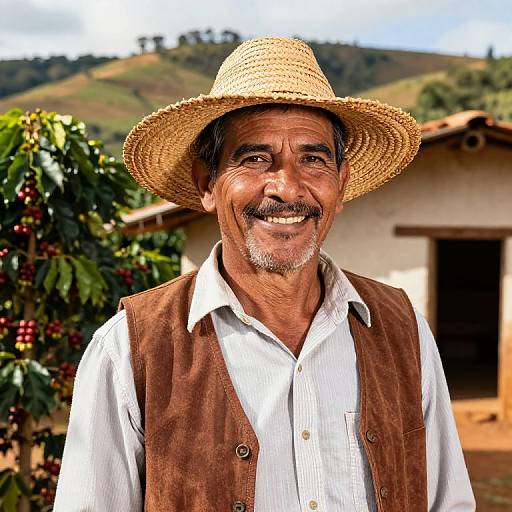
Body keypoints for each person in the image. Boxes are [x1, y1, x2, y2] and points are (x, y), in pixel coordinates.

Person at [54, 37, 475, 511]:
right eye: (255, 159)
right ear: (207, 183)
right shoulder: (130, 349)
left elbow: (449, 502)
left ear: (342, 182)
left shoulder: (402, 329)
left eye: (313, 159)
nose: (287, 187)